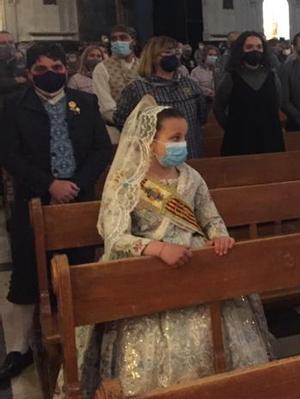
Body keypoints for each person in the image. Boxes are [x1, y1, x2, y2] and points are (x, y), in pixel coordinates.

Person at [61, 96, 272, 396]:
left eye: (184, 138)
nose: (181, 145)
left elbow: (210, 217)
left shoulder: (191, 176)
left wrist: (220, 235)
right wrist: (157, 249)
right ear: (149, 140)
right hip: (147, 273)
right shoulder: (126, 183)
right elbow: (115, 237)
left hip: (196, 262)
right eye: (174, 138)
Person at [0, 43, 112, 382]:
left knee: (76, 268)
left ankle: (80, 336)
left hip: (77, 199)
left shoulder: (86, 102)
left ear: (67, 67)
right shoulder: (14, 105)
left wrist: (75, 184)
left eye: (57, 67)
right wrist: (49, 184)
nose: (51, 74)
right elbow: (9, 154)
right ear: (29, 72)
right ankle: (18, 349)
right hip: (33, 199)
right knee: (27, 272)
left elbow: (100, 149)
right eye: (42, 69)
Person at [114, 36, 208, 158]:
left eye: (176, 52)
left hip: (191, 151)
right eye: (167, 52)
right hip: (154, 156)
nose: (173, 56)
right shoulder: (137, 89)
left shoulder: (189, 84)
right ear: (153, 57)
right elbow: (122, 121)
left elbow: (202, 116)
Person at [214, 31, 285, 156]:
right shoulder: (231, 76)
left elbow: (277, 103)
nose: (255, 50)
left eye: (259, 47)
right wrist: (232, 128)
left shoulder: (272, 75)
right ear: (241, 50)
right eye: (249, 47)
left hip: (269, 136)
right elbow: (218, 107)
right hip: (239, 139)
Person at [92, 25, 139, 143]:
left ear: (133, 41)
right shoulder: (102, 68)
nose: (118, 42)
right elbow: (105, 105)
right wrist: (127, 122)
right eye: (114, 39)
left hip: (144, 130)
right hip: (115, 132)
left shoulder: (143, 65)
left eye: (123, 38)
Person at [0, 31, 27, 111]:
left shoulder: (20, 60)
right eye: (3, 43)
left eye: (11, 42)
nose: (8, 46)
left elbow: (28, 81)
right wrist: (16, 81)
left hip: (20, 106)